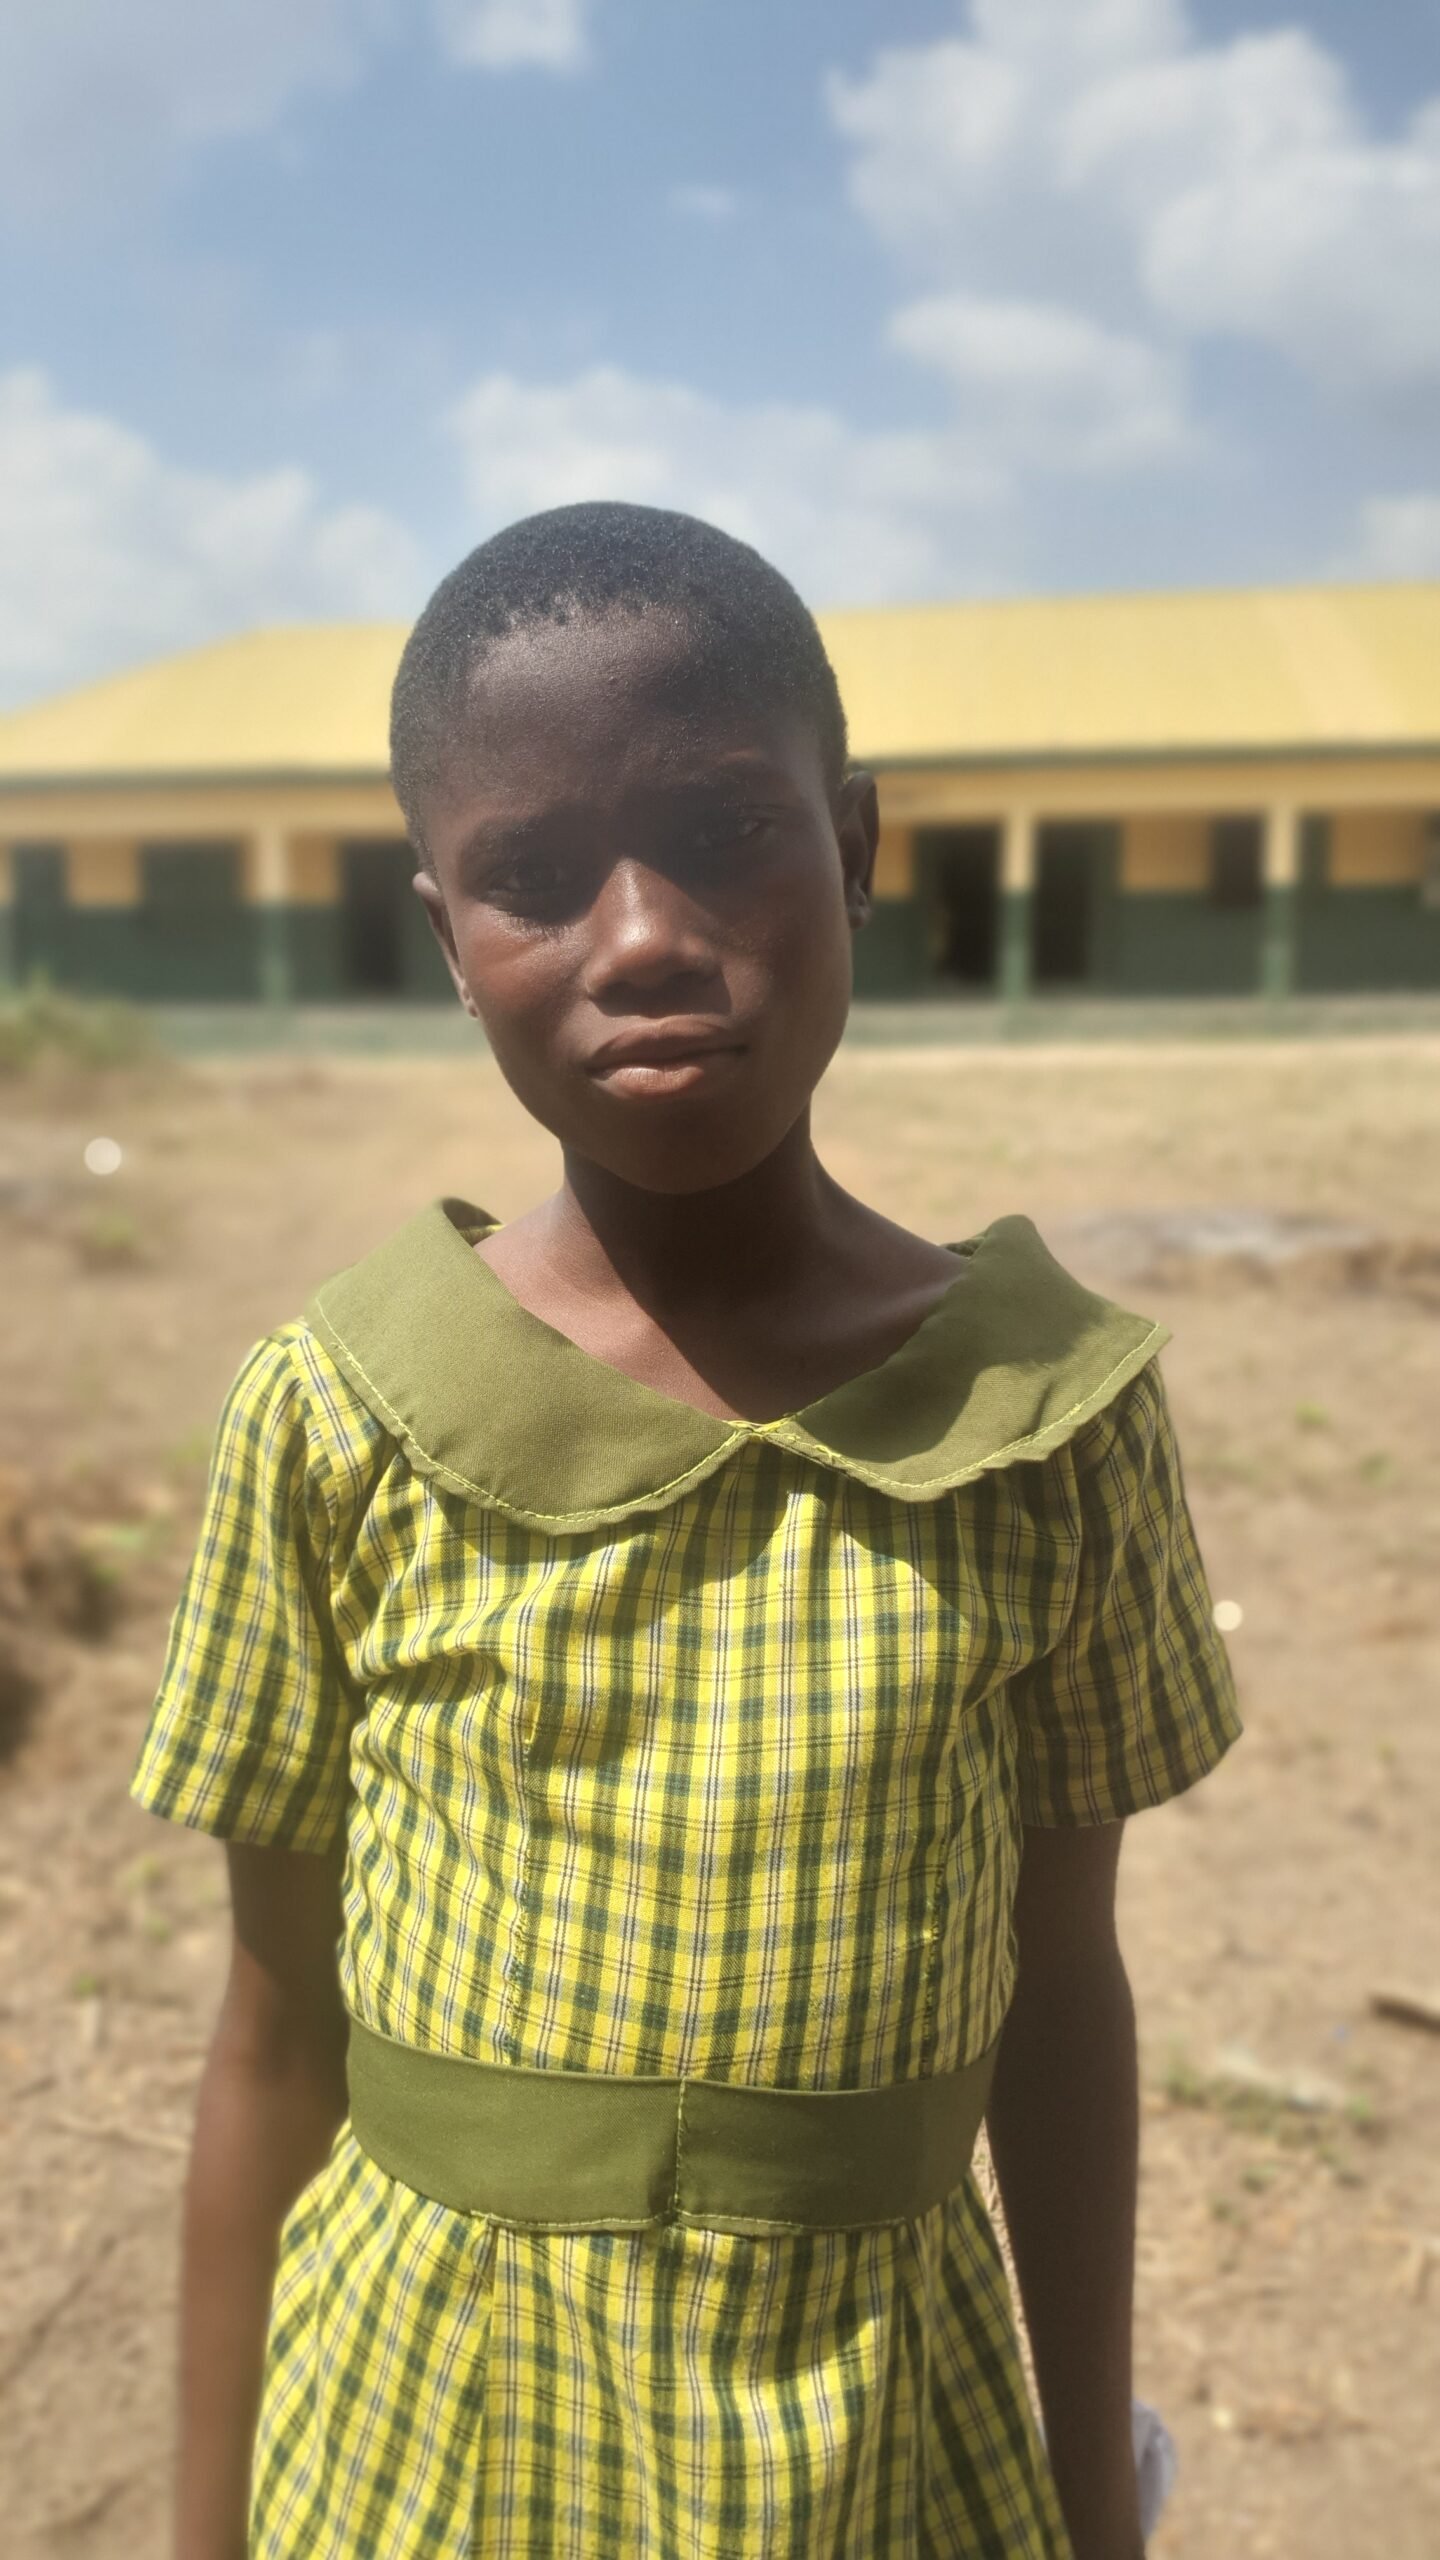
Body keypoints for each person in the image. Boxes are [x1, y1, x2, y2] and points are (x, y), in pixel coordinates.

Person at [131, 502, 1241, 2560]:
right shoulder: (344, 1410)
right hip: (427, 2434)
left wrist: (1092, 2494)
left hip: (873, 2434)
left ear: (858, 844)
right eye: (534, 876)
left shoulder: (1047, 1417)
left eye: (725, 829)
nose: (640, 933)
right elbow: (274, 2037)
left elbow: (1060, 1992)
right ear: (445, 934)